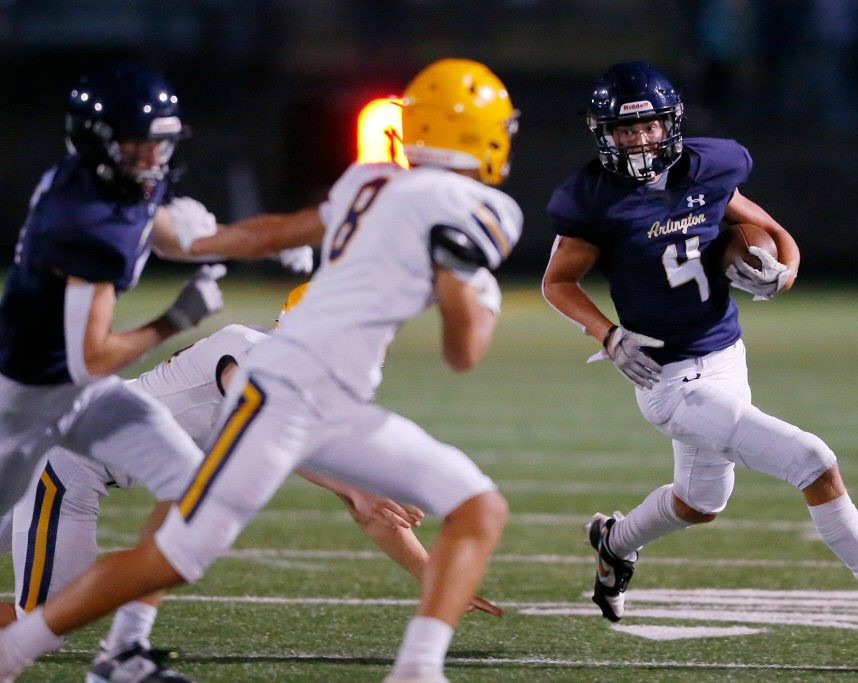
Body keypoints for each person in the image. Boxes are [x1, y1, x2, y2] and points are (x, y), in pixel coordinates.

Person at [0, 57, 522, 683]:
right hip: (101, 435)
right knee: (147, 566)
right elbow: (461, 353)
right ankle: (39, 652)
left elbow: (275, 231)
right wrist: (472, 288)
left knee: (476, 506)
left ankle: (415, 669)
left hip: (313, 406)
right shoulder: (475, 209)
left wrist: (208, 239)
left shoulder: (370, 182)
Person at [540, 61, 858, 641]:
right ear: (604, 133)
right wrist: (606, 332)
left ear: (672, 125)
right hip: (668, 380)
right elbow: (557, 283)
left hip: (726, 357)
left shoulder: (710, 167)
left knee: (699, 502)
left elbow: (772, 230)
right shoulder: (593, 198)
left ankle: (614, 542)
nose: (639, 141)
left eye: (649, 128)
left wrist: (782, 273)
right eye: (624, 131)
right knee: (813, 461)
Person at [2, 285, 501, 681]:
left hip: (66, 459)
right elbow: (262, 420)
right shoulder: (247, 349)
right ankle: (120, 654)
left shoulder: (293, 382)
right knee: (43, 622)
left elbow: (370, 511)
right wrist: (350, 485)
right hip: (61, 462)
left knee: (161, 541)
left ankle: (124, 651)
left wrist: (435, 574)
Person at [0, 62, 314, 680]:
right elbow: (90, 357)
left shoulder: (108, 189)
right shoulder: (85, 225)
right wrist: (178, 317)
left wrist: (278, 238)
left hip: (81, 400)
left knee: (197, 493)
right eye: (137, 144)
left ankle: (123, 654)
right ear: (100, 143)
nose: (151, 158)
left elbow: (185, 239)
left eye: (158, 143)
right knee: (45, 619)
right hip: (26, 412)